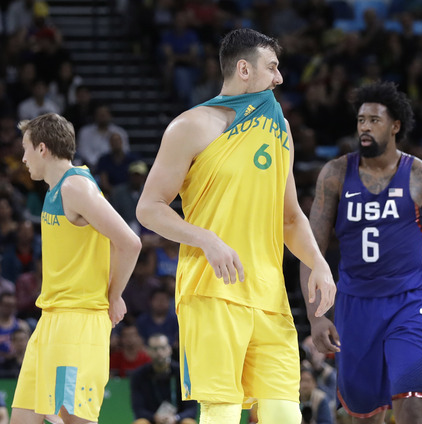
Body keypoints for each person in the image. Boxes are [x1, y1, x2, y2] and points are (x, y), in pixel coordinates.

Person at [136, 28, 336, 424]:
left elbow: (291, 216)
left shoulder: (279, 127)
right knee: (222, 413)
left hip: (269, 294)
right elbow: (149, 207)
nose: (279, 79)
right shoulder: (190, 126)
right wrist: (204, 238)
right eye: (273, 68)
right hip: (212, 289)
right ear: (244, 69)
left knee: (284, 415)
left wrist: (319, 262)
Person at [300, 81, 422, 423]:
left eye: (374, 120)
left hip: (410, 302)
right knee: (365, 415)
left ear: (395, 126)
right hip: (355, 305)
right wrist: (316, 316)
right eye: (361, 120)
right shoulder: (334, 174)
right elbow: (310, 252)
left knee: (412, 405)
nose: (364, 127)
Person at [10, 113, 142, 424]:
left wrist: (115, 295)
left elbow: (130, 242)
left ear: (42, 149)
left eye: (25, 148)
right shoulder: (55, 189)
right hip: (50, 320)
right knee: (23, 418)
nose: (23, 157)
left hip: (78, 323)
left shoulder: (76, 187)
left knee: (74, 420)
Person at [130, 333, 197, 424]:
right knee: (140, 422)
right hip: (152, 420)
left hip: (177, 420)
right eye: (155, 349)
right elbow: (138, 409)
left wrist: (176, 418)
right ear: (147, 351)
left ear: (170, 349)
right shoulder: (139, 375)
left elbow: (192, 409)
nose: (159, 352)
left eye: (163, 348)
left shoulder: (183, 373)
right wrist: (154, 417)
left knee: (189, 422)